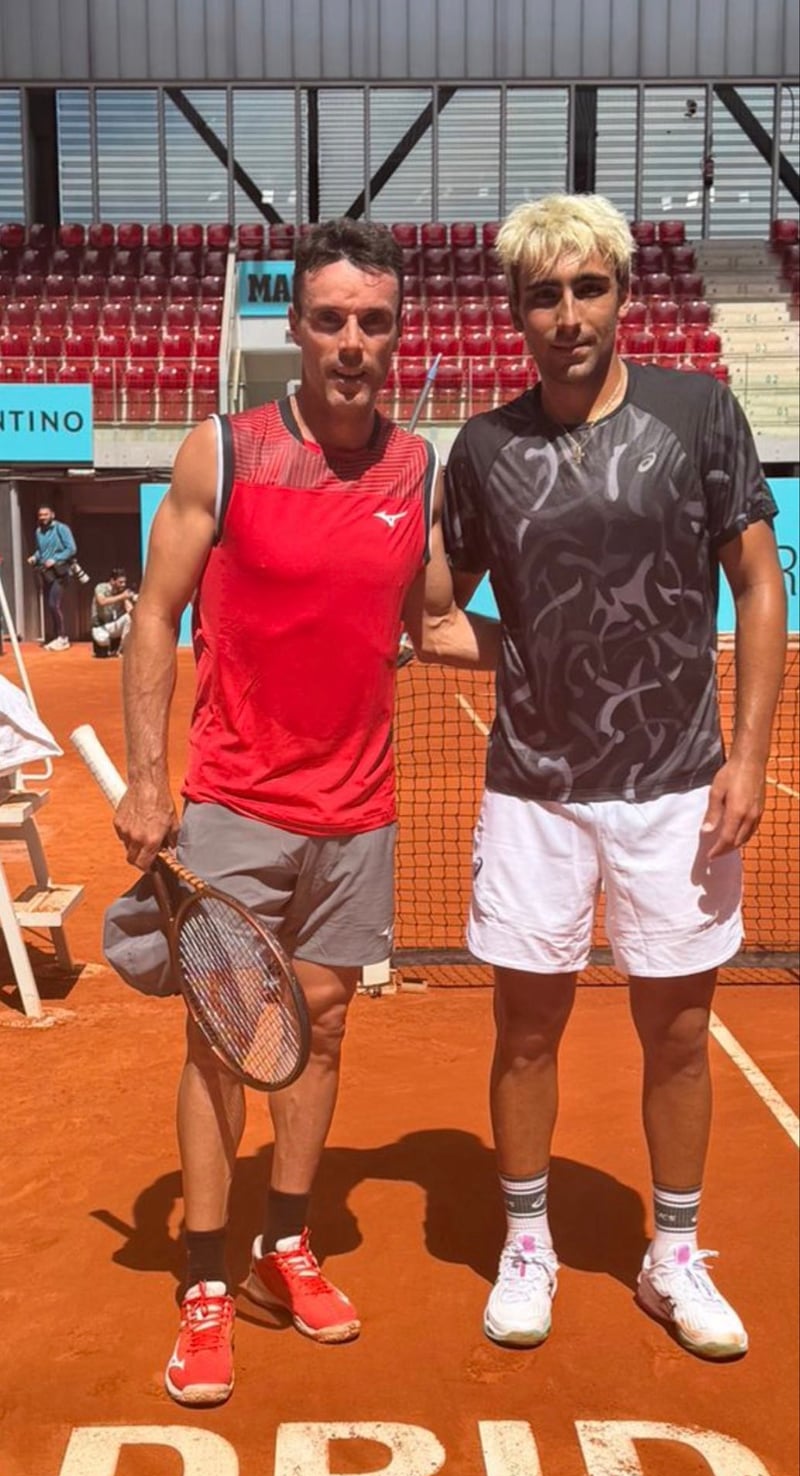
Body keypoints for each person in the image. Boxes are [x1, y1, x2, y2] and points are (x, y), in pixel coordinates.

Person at [108, 217, 495, 1408]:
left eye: (372, 321)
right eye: (329, 319)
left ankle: (286, 1238)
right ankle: (206, 1278)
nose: (351, 342)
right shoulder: (222, 451)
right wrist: (146, 776)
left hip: (359, 813)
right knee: (223, 1041)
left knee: (320, 1032)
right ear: (296, 327)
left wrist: (569, 651)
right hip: (234, 801)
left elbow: (433, 620)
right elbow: (153, 614)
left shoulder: (414, 468)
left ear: (398, 333)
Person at [427, 193, 786, 1360]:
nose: (567, 315)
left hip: (678, 784)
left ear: (622, 295)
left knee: (676, 1032)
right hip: (531, 790)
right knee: (525, 1030)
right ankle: (525, 1240)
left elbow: (757, 584)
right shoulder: (483, 450)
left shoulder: (697, 412)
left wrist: (748, 756)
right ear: (514, 312)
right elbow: (434, 616)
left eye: (587, 288)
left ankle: (670, 1255)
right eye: (543, 295)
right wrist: (526, 651)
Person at [27, 504, 80, 650]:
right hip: (46, 572)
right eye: (40, 515)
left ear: (52, 515)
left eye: (45, 514)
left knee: (53, 604)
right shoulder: (38, 531)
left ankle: (62, 637)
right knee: (50, 606)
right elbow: (40, 551)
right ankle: (56, 637)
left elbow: (71, 549)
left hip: (60, 571)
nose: (43, 517)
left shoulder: (62, 528)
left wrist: (55, 559)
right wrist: (34, 557)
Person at [91, 567, 136, 656]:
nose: (123, 585)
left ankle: (122, 649)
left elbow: (130, 610)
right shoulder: (101, 587)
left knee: (129, 618)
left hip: (114, 626)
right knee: (102, 652)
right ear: (112, 581)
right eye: (120, 582)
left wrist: (129, 600)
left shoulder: (122, 592)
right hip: (100, 626)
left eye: (124, 582)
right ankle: (104, 646)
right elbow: (102, 601)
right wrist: (122, 596)